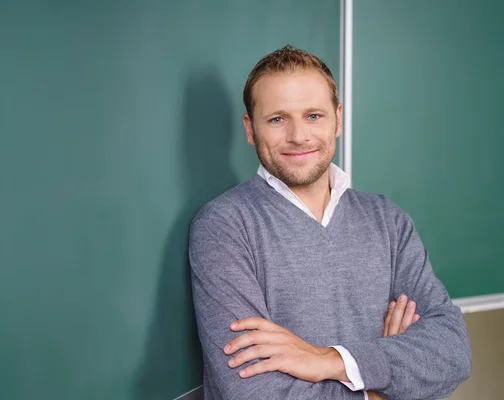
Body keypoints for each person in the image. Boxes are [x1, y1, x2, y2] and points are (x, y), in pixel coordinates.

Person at [188, 45, 471, 399]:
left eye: (313, 116)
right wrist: (382, 388)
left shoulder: (387, 220)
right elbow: (255, 392)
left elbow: (452, 351)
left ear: (337, 119)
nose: (298, 136)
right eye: (277, 119)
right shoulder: (224, 227)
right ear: (250, 129)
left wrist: (331, 360)